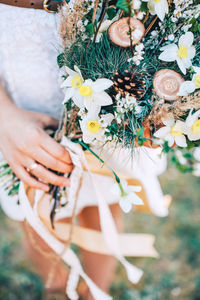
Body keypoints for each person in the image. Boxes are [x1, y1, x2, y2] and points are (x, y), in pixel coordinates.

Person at [0, 2, 168, 299]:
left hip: (106, 83)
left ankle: (96, 291)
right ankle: (57, 289)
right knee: (39, 211)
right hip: (20, 102)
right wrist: (5, 116)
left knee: (104, 199)